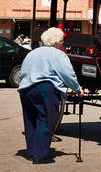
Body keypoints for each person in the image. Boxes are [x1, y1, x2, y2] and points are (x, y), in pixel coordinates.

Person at [18, 27, 82, 164]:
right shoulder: (58, 54)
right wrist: (77, 88)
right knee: (46, 120)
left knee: (30, 121)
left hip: (25, 89)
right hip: (44, 88)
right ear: (57, 42)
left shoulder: (33, 53)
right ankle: (39, 155)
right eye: (62, 41)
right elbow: (68, 75)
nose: (63, 44)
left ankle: (32, 151)